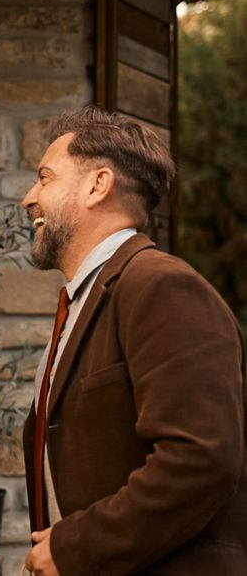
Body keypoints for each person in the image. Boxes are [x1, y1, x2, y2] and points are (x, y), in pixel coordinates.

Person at [20, 106, 246, 575]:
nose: (29, 198)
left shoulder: (162, 287)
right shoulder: (87, 299)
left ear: (97, 185)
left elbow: (200, 460)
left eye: (45, 178)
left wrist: (75, 547)